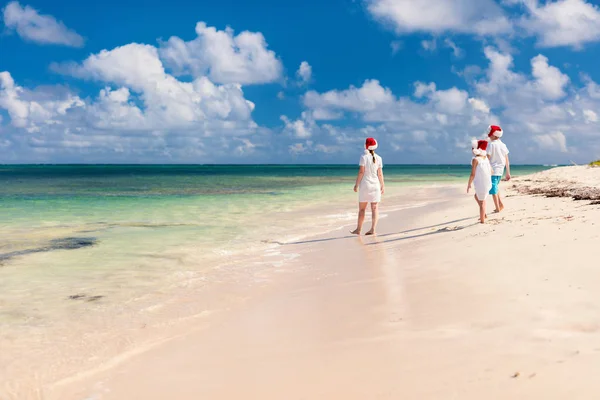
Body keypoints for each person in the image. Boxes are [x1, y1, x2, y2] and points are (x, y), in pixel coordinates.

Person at [351, 137, 385, 236]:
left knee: (362, 209)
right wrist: (382, 185)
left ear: (366, 146)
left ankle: (358, 229)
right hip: (375, 185)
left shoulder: (363, 157)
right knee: (374, 208)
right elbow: (380, 174)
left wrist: (356, 184)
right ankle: (373, 229)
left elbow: (361, 172)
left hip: (365, 185)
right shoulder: (379, 158)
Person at [486, 125, 511, 212]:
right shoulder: (503, 145)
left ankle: (497, 208)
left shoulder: (491, 145)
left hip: (492, 170)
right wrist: (508, 172)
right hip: (500, 171)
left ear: (493, 135)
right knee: (496, 187)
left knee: (493, 190)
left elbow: (487, 158)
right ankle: (500, 205)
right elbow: (507, 159)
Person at [467, 139, 492, 224]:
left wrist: (469, 184)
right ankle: (483, 215)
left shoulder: (475, 160)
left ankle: (482, 221)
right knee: (477, 197)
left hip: (481, 183)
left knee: (481, 202)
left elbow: (472, 174)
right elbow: (491, 171)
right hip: (487, 182)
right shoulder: (485, 159)